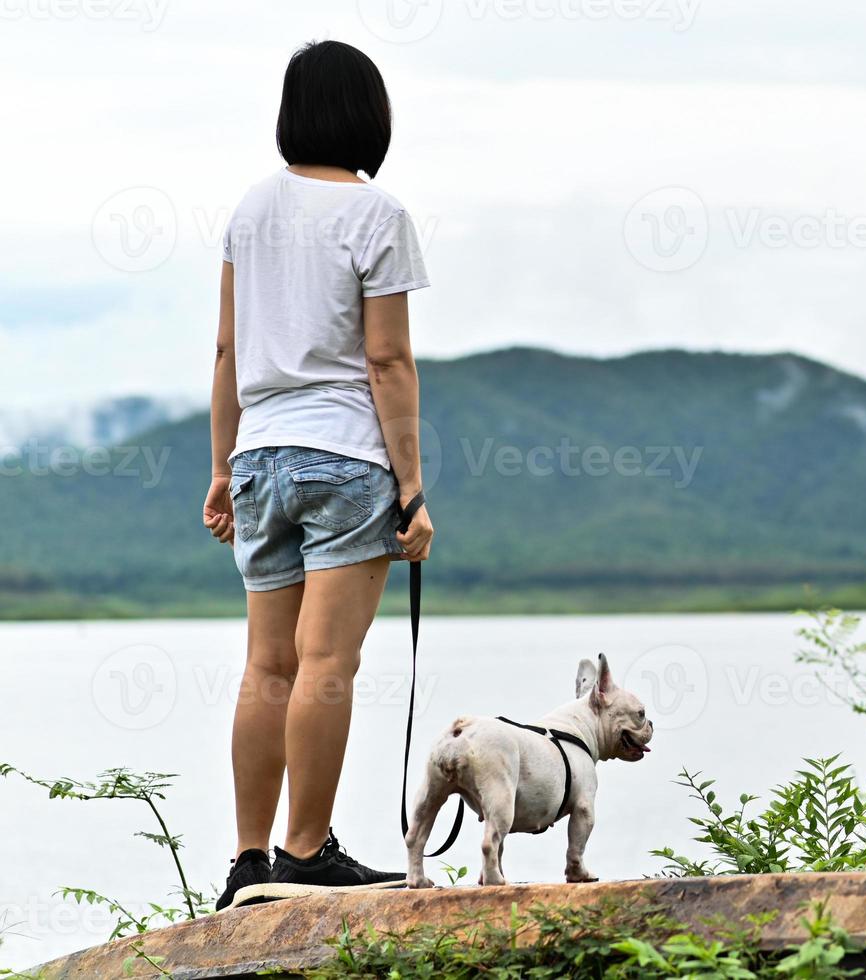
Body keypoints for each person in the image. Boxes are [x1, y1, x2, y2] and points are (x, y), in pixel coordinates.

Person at [202, 39, 435, 910]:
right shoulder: (377, 214)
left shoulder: (250, 211)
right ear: (369, 116)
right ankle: (305, 852)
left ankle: (248, 859)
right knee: (326, 660)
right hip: (344, 456)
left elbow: (226, 349)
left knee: (266, 663)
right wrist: (410, 487)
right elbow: (387, 360)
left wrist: (223, 467)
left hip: (258, 454)